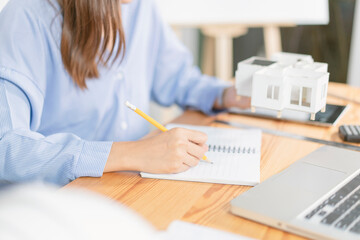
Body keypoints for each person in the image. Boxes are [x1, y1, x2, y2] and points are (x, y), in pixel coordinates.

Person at [0, 0, 250, 186]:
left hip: (130, 185)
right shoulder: (26, 17)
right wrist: (132, 153)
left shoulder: (139, 6)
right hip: (58, 200)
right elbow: (6, 146)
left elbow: (176, 77)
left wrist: (225, 94)